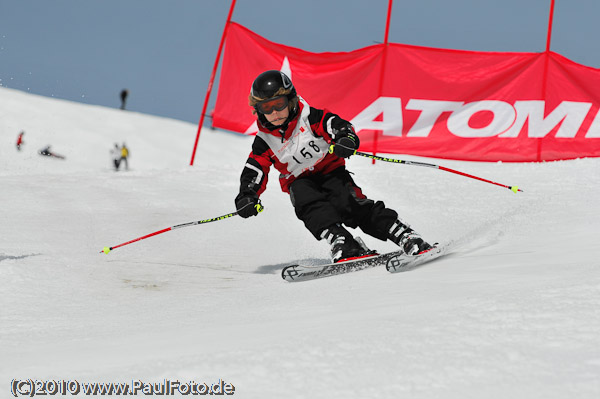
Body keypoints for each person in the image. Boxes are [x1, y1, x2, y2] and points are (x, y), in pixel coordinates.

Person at [235, 70, 432, 263]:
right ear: (258, 110)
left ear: (291, 100)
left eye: (279, 104)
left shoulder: (309, 117)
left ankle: (404, 236)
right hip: (299, 180)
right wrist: (247, 195)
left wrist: (345, 138)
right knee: (307, 204)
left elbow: (336, 124)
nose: (274, 113)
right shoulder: (264, 141)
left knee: (351, 205)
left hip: (331, 172)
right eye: (266, 108)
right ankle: (344, 243)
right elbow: (255, 169)